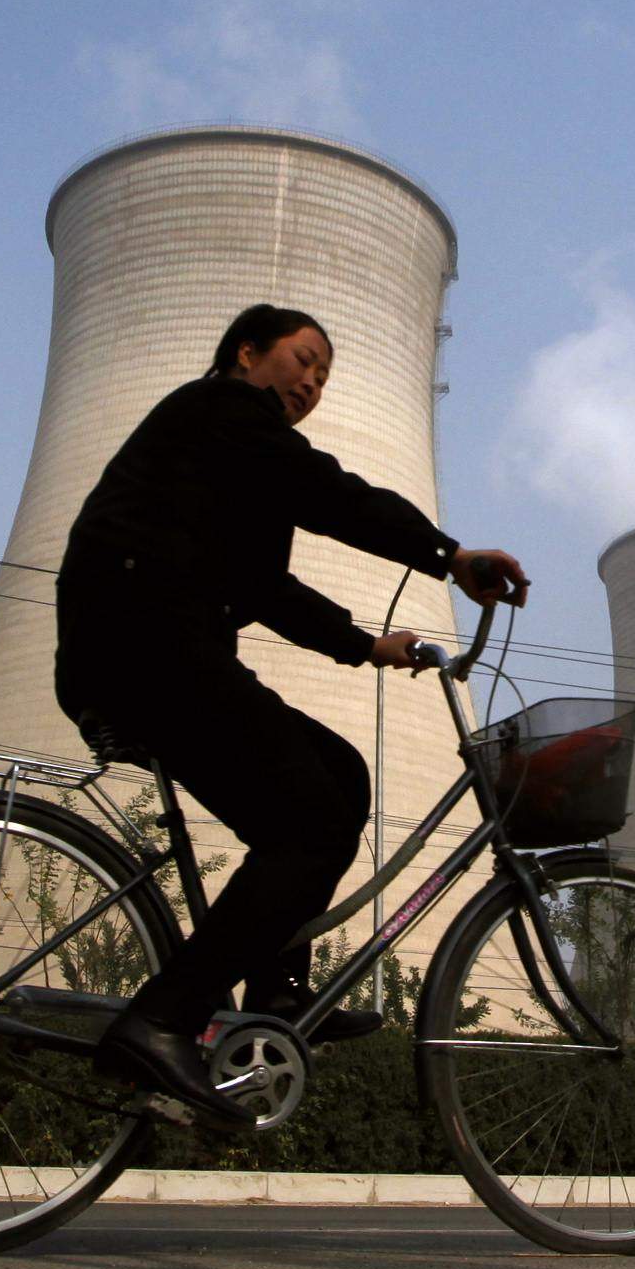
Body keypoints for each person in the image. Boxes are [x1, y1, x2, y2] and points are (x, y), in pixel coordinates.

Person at [57, 301, 529, 1130]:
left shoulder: (231, 463)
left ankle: (274, 994)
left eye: (324, 374)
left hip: (161, 647)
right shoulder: (221, 411)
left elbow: (263, 586)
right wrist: (449, 557)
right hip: (145, 648)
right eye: (303, 359)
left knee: (340, 775)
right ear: (247, 353)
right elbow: (331, 495)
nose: (313, 381)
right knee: (308, 827)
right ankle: (164, 1019)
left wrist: (363, 646)